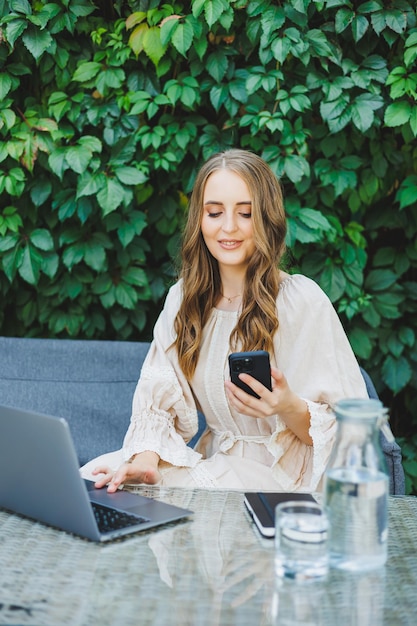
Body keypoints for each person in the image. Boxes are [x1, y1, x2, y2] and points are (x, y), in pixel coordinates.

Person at [81, 149, 367, 492]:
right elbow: (158, 402)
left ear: (266, 218)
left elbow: (349, 432)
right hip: (217, 464)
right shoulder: (185, 299)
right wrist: (144, 463)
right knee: (97, 474)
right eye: (214, 212)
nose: (228, 227)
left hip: (282, 477)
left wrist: (288, 405)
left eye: (245, 213)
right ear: (200, 219)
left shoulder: (300, 300)